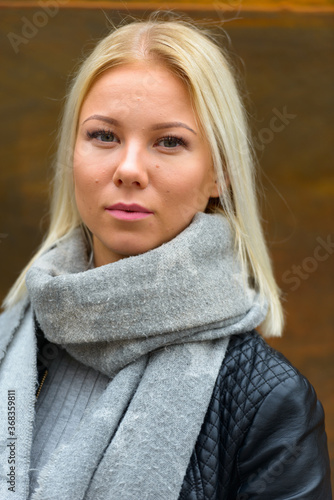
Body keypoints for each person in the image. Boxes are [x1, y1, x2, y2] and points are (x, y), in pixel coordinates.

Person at [0, 14, 331, 500]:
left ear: (220, 174)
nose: (129, 169)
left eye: (169, 142)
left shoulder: (270, 404)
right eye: (104, 136)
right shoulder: (10, 343)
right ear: (72, 154)